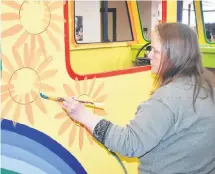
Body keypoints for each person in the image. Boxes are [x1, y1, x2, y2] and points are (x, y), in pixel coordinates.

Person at [62, 23, 215, 173]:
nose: (149, 55)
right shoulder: (206, 85)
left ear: (173, 56)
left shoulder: (166, 100)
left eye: (155, 51)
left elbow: (129, 143)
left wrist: (83, 115)